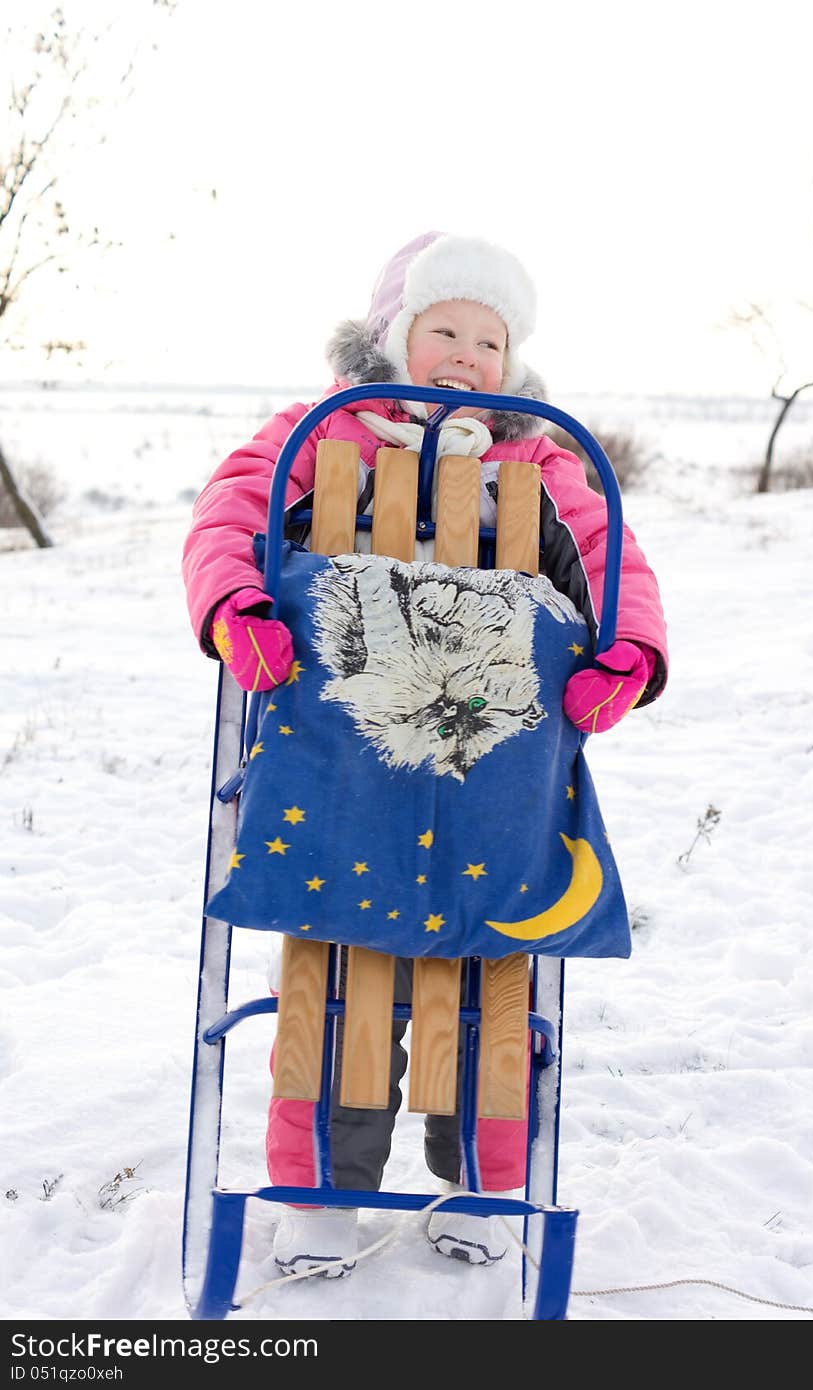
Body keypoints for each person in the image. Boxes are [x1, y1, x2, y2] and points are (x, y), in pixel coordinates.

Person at [182, 231, 668, 1279]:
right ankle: (319, 1187)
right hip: (347, 753)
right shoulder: (325, 429)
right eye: (442, 327)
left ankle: (484, 1181)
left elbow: (603, 547)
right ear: (394, 337)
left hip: (485, 764)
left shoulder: (533, 455)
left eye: (488, 338)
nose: (465, 352)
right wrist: (235, 605)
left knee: (484, 965)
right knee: (339, 964)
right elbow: (230, 507)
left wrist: (627, 641)